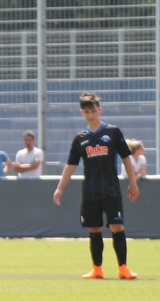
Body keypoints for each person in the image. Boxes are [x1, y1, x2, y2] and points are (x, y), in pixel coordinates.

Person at [53, 93, 139, 280]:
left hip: (111, 190)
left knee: (117, 226)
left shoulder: (113, 132)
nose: (90, 114)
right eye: (86, 111)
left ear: (99, 110)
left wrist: (132, 183)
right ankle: (97, 268)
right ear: (82, 113)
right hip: (90, 192)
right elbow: (70, 165)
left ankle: (123, 268)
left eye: (93, 110)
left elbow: (126, 158)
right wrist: (60, 188)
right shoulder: (80, 139)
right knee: (94, 229)